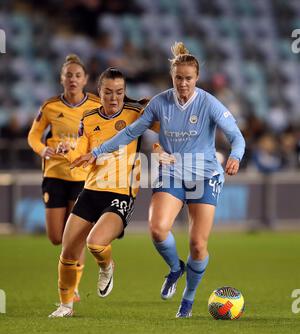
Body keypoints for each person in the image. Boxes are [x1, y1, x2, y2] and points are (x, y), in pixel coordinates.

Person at [71, 42, 246, 318]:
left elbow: (237, 136)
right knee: (157, 229)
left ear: (196, 78)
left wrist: (235, 155)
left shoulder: (209, 103)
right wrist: (96, 152)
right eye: (179, 78)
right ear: (172, 77)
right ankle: (175, 268)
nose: (183, 83)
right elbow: (130, 132)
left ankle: (187, 300)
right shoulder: (160, 103)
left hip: (204, 174)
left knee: (198, 245)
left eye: (188, 78)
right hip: (172, 171)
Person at [48, 67, 158, 318]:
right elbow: (82, 152)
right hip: (91, 189)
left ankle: (107, 266)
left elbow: (167, 126)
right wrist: (69, 151)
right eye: (108, 92)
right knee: (68, 251)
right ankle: (65, 306)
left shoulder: (135, 114)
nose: (114, 97)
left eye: (119, 92)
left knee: (95, 243)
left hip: (121, 193)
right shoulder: (88, 118)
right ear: (99, 92)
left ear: (125, 93)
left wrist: (157, 106)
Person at [28, 54, 100, 302]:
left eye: (77, 75)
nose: (73, 79)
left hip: (82, 177)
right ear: (62, 79)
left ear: (85, 79)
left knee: (75, 235)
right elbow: (33, 136)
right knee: (56, 237)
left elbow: (102, 136)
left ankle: (74, 286)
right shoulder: (50, 107)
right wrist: (42, 149)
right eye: (68, 75)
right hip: (55, 175)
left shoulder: (94, 105)